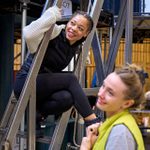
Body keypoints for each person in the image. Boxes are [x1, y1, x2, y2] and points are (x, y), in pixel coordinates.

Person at [14, 6, 100, 126]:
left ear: (86, 34)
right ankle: (92, 121)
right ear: (68, 23)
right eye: (72, 23)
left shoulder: (76, 47)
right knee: (70, 79)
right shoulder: (55, 31)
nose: (73, 29)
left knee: (67, 98)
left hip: (42, 90)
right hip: (26, 81)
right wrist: (51, 14)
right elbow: (28, 34)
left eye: (80, 28)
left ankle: (37, 114)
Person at [80, 64, 145, 150]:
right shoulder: (112, 124)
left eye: (110, 93)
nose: (100, 94)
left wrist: (85, 148)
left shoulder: (120, 133)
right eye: (103, 86)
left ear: (127, 103)